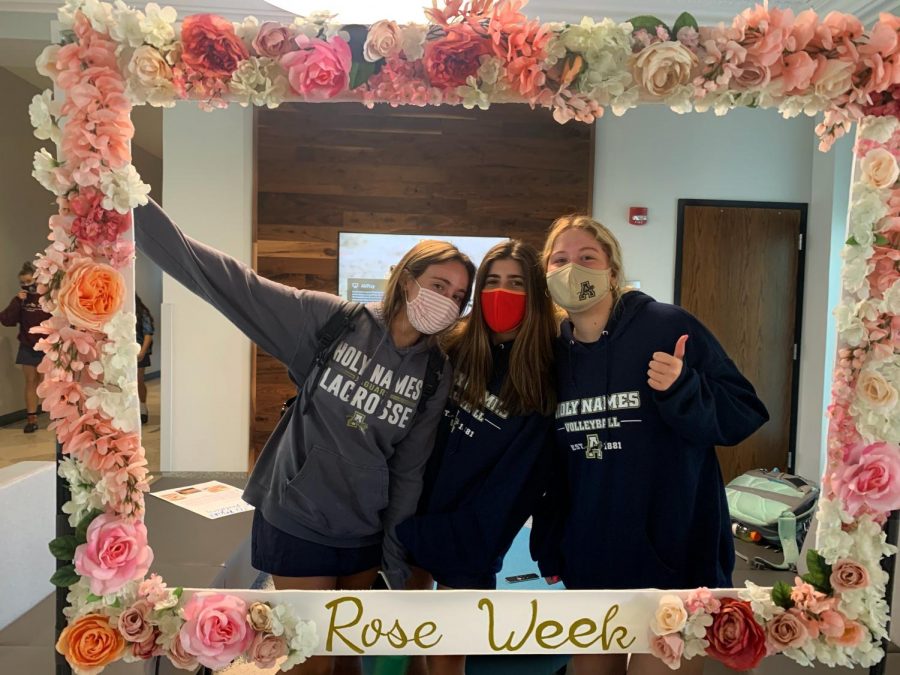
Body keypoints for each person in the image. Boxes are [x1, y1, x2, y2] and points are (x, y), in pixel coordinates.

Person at [133, 199, 474, 675]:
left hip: (362, 532)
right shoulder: (333, 322)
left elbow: (408, 473)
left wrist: (395, 560)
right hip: (297, 519)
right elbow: (236, 285)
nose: (448, 301)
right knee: (309, 661)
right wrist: (128, 203)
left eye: (459, 296)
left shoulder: (435, 373)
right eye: (439, 285)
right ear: (408, 279)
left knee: (348, 658)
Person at [530, 215, 769, 675]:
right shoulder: (550, 355)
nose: (571, 269)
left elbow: (744, 412)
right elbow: (553, 464)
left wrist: (683, 389)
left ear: (612, 271)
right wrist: (551, 544)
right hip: (591, 559)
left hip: (673, 557)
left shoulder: (666, 326)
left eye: (586, 258)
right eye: (559, 260)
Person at [398, 240, 557, 675]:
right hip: (417, 509)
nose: (501, 292)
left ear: (536, 294)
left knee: (449, 650)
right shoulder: (453, 344)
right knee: (412, 633)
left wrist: (481, 533)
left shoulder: (545, 371)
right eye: (492, 281)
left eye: (516, 283)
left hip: (472, 530)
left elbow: (525, 478)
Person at [1, 261, 52, 433]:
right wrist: (17, 301)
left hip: (47, 346)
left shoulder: (47, 297)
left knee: (46, 382)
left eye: (30, 281)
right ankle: (31, 419)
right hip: (27, 345)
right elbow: (6, 320)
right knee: (30, 381)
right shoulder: (20, 301)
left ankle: (54, 415)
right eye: (23, 282)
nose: (27, 285)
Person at [135, 294, 154, 424]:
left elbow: (148, 334)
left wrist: (142, 352)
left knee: (139, 380)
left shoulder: (143, 313)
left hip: (140, 351)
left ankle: (142, 408)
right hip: (125, 352)